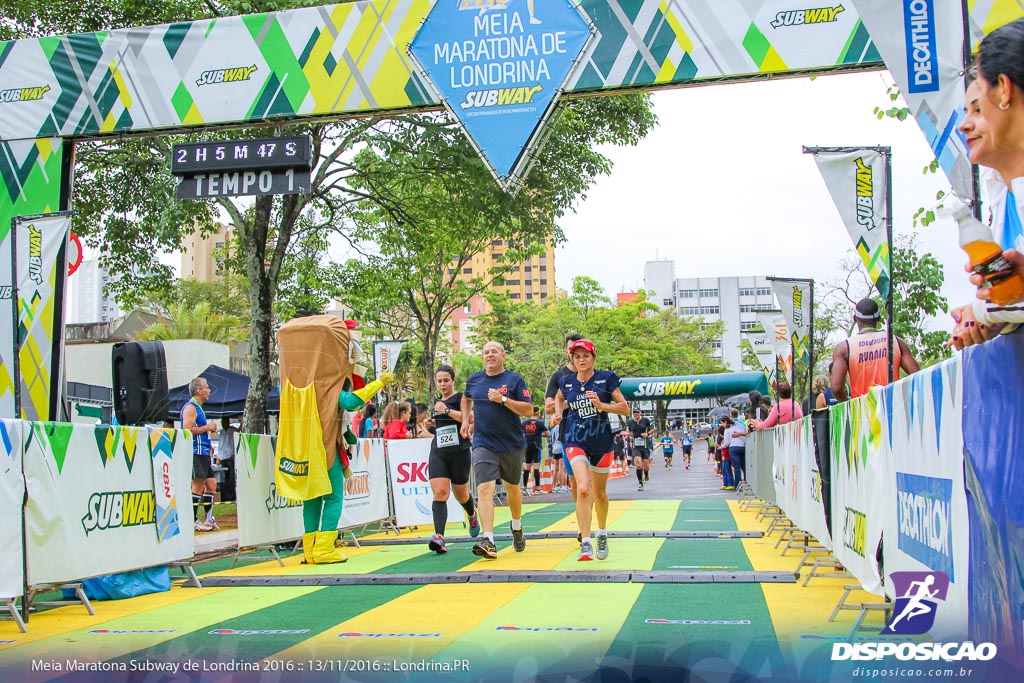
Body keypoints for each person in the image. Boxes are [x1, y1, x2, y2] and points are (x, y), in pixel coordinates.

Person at [950, 53, 1024, 347]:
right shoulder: (999, 191)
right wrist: (994, 319)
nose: (963, 125)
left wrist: (980, 312)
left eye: (978, 110)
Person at [552, 339, 629, 561]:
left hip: (601, 442)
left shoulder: (606, 379)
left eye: (585, 355)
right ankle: (585, 542)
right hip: (575, 440)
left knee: (599, 493)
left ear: (594, 357)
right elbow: (558, 398)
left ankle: (602, 533)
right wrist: (558, 414)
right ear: (572, 360)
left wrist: (602, 406)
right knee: (583, 488)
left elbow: (624, 409)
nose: (581, 360)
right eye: (576, 356)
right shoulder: (566, 382)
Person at [460, 341, 534, 559]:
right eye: (486, 353)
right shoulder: (474, 379)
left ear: (503, 356)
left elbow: (529, 410)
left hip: (511, 445)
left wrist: (503, 399)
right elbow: (466, 398)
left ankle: (517, 526)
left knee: (513, 489)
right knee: (484, 489)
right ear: (482, 357)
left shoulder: (514, 380)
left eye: (494, 351)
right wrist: (465, 420)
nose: (490, 355)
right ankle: (488, 539)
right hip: (483, 443)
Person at [423, 365, 480, 554]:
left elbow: (470, 418)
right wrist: (431, 423)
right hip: (439, 450)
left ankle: (472, 514)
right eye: (439, 381)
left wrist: (446, 410)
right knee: (439, 493)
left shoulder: (460, 398)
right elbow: (440, 424)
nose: (442, 384)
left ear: (453, 380)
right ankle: (439, 536)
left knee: (462, 495)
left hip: (459, 451)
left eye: (446, 380)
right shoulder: (437, 401)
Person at [831, 298, 920, 402]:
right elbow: (917, 375)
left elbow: (836, 388)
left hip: (863, 412)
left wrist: (849, 408)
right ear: (878, 318)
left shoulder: (844, 348)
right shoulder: (895, 341)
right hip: (892, 408)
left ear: (855, 318)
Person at [545, 333, 585, 500]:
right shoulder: (559, 376)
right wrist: (573, 400)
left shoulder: (595, 375)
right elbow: (548, 407)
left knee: (590, 484)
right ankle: (583, 519)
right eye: (571, 349)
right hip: (569, 435)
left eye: (580, 350)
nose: (575, 353)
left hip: (594, 435)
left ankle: (597, 522)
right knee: (576, 484)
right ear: (566, 352)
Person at [181, 378, 218, 532]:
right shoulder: (191, 407)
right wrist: (207, 427)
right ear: (198, 391)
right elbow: (187, 429)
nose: (209, 391)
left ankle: (209, 519)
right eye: (207, 387)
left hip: (203, 451)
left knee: (211, 485)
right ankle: (193, 519)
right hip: (196, 451)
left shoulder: (199, 407)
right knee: (198, 485)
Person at [521, 406, 549, 495]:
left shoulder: (524, 422)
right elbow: (548, 434)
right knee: (536, 467)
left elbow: (520, 434)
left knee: (527, 467)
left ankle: (524, 488)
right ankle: (537, 488)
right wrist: (540, 434)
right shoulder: (540, 423)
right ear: (538, 412)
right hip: (536, 446)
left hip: (527, 446)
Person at [627, 408, 654, 490]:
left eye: (637, 412)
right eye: (634, 412)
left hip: (645, 446)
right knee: (638, 464)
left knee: (646, 466)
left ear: (640, 413)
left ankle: (646, 474)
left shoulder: (646, 420)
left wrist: (648, 433)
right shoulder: (631, 422)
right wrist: (631, 437)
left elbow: (654, 428)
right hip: (636, 446)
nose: (636, 414)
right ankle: (640, 484)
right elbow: (630, 432)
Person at [216, 416, 238, 503]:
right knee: (223, 477)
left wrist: (234, 454)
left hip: (230, 457)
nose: (223, 423)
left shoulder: (233, 431)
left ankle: (232, 496)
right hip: (222, 457)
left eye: (225, 421)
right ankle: (225, 496)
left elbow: (235, 442)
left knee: (231, 477)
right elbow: (220, 444)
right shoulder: (220, 432)